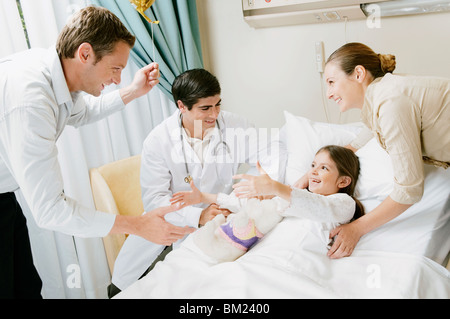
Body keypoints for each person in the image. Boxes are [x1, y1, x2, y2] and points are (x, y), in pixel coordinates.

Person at [0, 6, 194, 299]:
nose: (117, 78)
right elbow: (51, 210)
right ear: (85, 53)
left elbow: (81, 113)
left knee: (26, 287)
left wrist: (132, 91)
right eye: (115, 68)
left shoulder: (59, 73)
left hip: (4, 196)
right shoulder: (31, 101)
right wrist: (138, 225)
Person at [110, 68, 264, 296]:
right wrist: (198, 216)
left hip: (218, 221)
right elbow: (155, 200)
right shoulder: (158, 140)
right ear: (182, 106)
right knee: (124, 290)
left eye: (218, 104)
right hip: (166, 223)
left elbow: (264, 161)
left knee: (189, 287)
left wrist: (234, 200)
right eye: (206, 108)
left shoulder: (235, 125)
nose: (215, 114)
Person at [321, 42, 450, 259]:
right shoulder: (383, 95)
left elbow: (409, 189)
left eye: (332, 82)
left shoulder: (390, 102)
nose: (328, 94)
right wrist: (319, 165)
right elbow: (363, 137)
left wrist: (356, 229)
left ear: (359, 73)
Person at [171, 145, 365, 261]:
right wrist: (204, 197)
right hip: (266, 254)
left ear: (343, 181)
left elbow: (319, 207)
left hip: (298, 259)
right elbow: (248, 205)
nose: (313, 172)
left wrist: (276, 188)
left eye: (324, 168)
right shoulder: (292, 198)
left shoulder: (344, 203)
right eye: (313, 165)